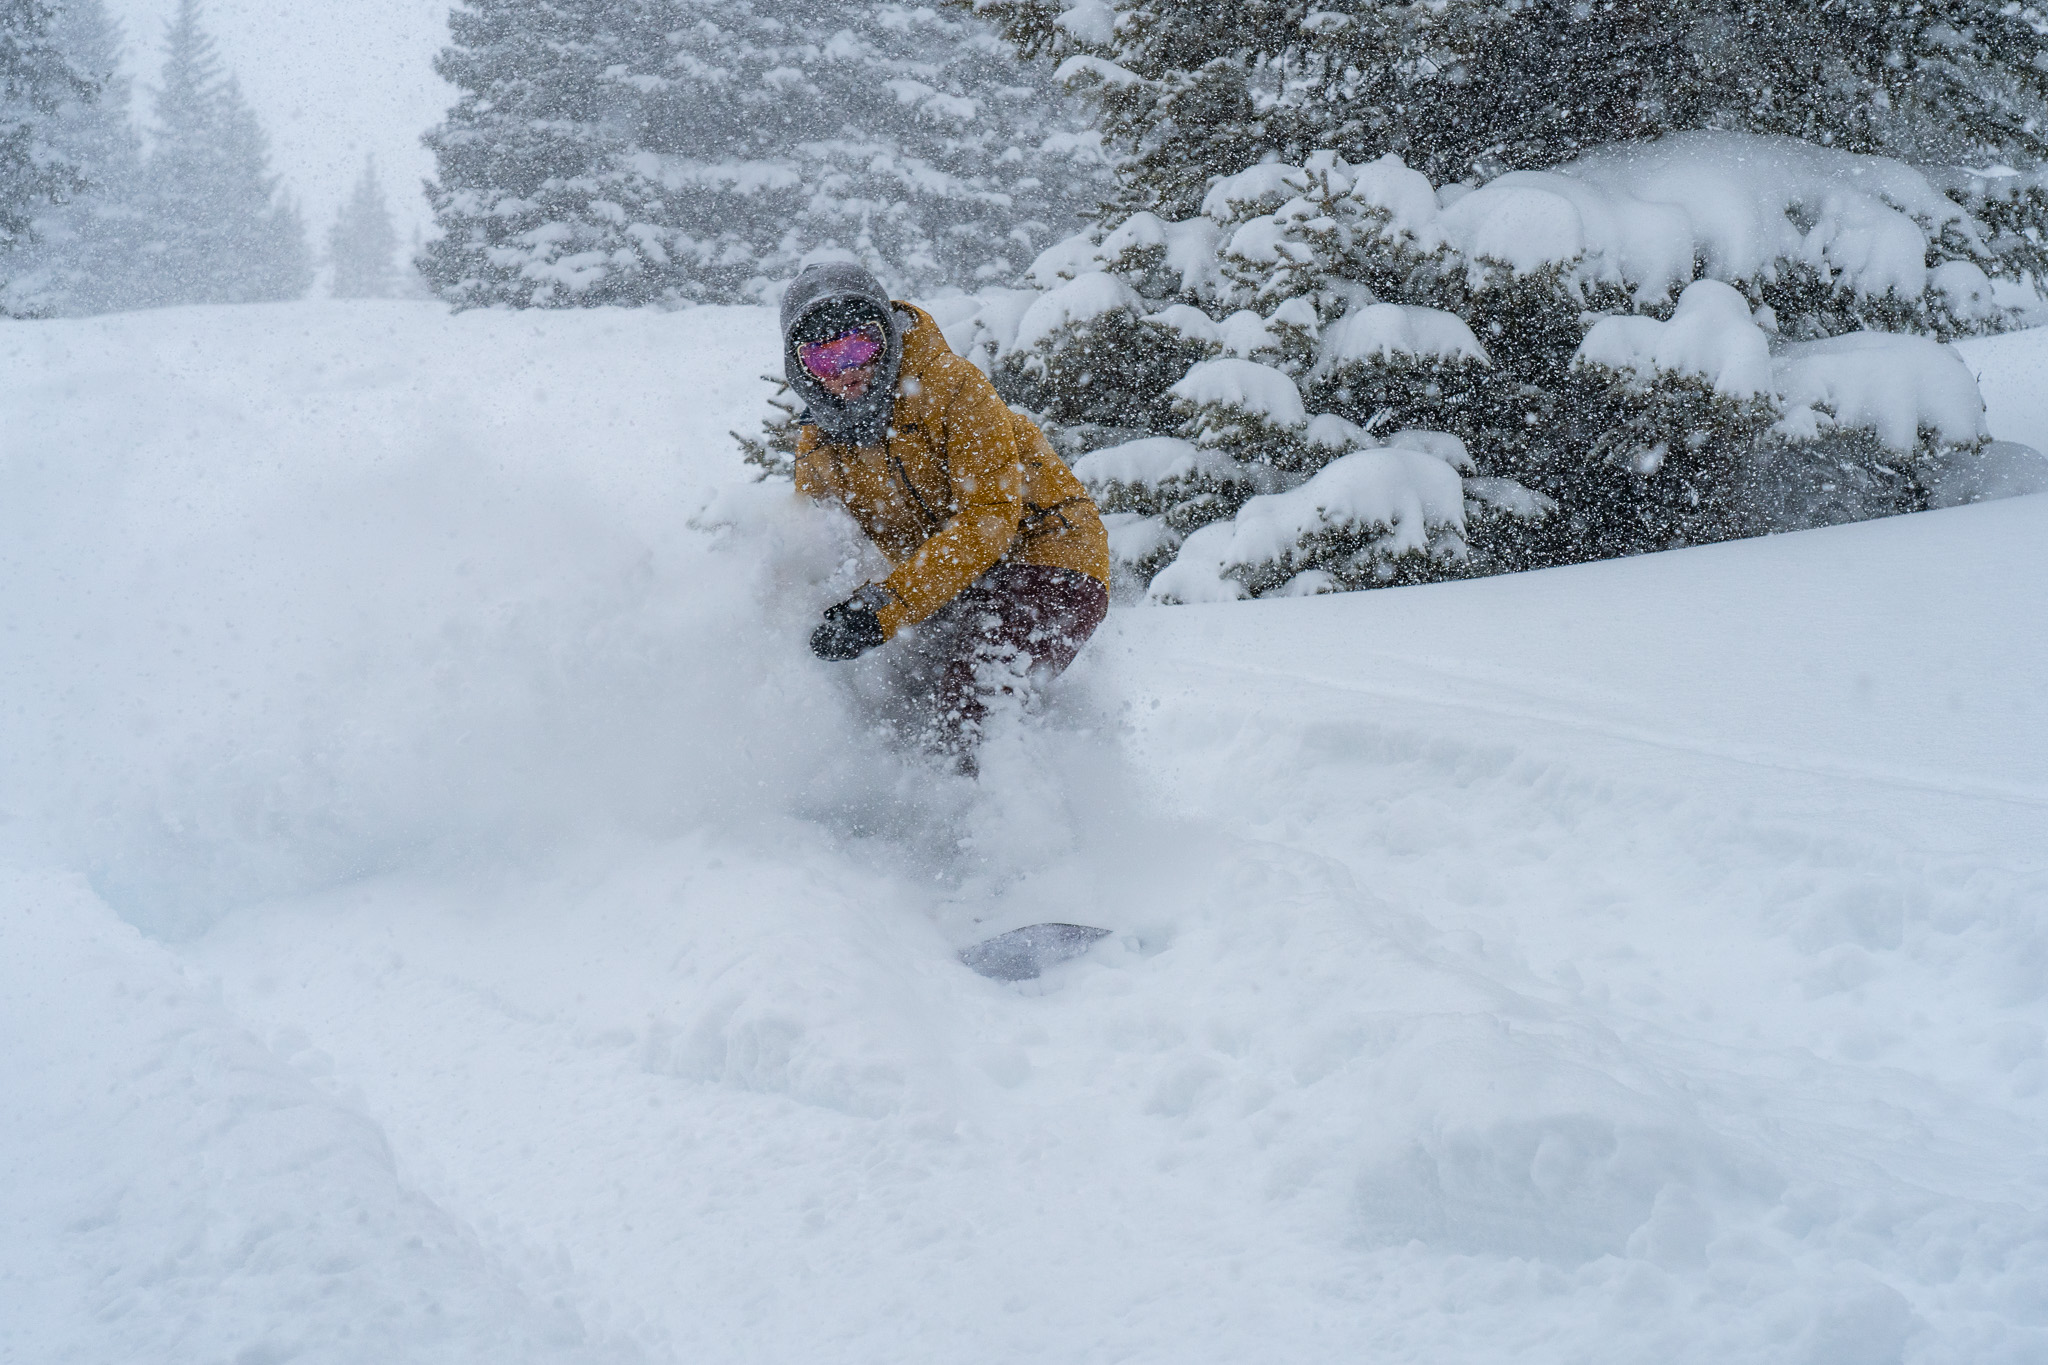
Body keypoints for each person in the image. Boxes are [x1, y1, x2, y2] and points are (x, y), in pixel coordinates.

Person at [782, 262, 1112, 763]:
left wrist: (883, 607)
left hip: (1049, 560)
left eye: (860, 346)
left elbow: (991, 517)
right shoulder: (819, 442)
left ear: (885, 338)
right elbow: (815, 541)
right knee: (902, 696)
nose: (848, 370)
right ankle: (888, 813)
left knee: (971, 701)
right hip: (954, 581)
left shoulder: (952, 387)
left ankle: (993, 830)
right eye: (825, 359)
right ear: (800, 367)